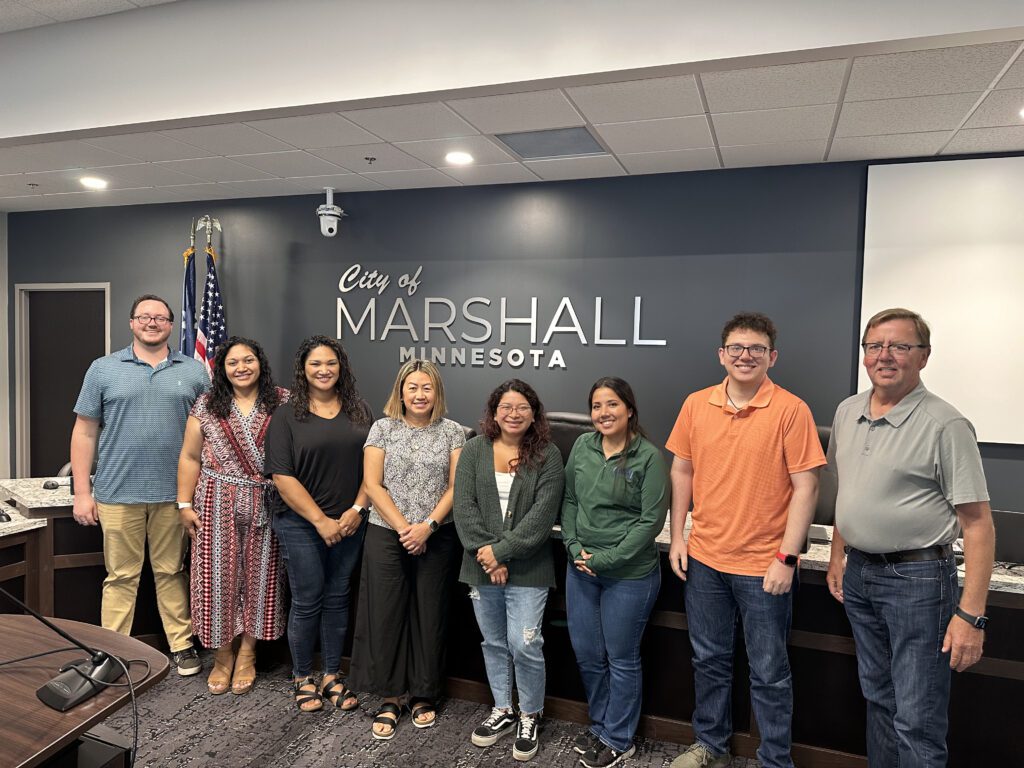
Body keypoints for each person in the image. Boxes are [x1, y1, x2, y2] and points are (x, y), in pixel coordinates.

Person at [824, 308, 994, 768]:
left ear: (923, 357)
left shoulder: (946, 424)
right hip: (860, 575)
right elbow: (849, 492)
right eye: (875, 346)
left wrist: (970, 615)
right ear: (863, 356)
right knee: (879, 699)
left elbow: (978, 524)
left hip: (918, 580)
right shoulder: (847, 411)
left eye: (900, 346)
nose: (885, 356)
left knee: (916, 717)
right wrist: (839, 556)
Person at [665, 312, 825, 768]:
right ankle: (711, 746)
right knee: (709, 660)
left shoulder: (792, 410)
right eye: (736, 348)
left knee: (770, 673)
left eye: (756, 348)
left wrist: (786, 558)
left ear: (772, 356)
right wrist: (678, 536)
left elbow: (806, 486)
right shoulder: (697, 404)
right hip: (706, 561)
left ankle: (775, 759)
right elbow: (682, 469)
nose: (745, 356)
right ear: (722, 355)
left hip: (763, 566)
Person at [71, 294, 210, 676]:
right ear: (131, 322)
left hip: (175, 496)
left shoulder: (195, 372)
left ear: (171, 325)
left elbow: (210, 436)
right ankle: (110, 652)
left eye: (161, 318)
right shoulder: (103, 369)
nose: (152, 323)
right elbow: (84, 432)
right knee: (120, 577)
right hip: (117, 493)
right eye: (144, 317)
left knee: (171, 572)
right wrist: (82, 492)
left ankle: (181, 645)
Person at [348, 359, 465, 740]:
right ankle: (390, 695)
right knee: (385, 613)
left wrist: (427, 527)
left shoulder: (452, 432)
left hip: (437, 533)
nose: (420, 394)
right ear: (401, 391)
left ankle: (423, 693)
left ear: (437, 393)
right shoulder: (382, 428)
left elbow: (455, 487)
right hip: (387, 533)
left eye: (427, 388)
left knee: (429, 613)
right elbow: (372, 483)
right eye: (412, 387)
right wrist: (404, 529)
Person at [453, 379, 565, 762]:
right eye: (506, 407)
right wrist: (488, 556)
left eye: (522, 407)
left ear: (534, 414)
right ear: (494, 412)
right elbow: (464, 509)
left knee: (525, 643)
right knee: (494, 642)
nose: (513, 414)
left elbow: (542, 517)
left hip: (530, 567)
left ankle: (530, 714)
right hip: (480, 566)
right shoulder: (473, 450)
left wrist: (500, 553)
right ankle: (503, 709)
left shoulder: (547, 455)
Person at [562, 377, 669, 768]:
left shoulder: (648, 457)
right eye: (596, 406)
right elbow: (570, 500)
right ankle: (602, 723)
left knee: (621, 657)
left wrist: (603, 560)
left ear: (629, 410)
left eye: (611, 405)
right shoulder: (582, 446)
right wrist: (573, 546)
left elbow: (650, 524)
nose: (603, 413)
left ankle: (620, 738)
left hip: (630, 575)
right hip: (581, 568)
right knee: (589, 654)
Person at [264, 335, 372, 713]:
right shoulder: (287, 415)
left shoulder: (359, 410)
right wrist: (321, 521)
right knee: (308, 599)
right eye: (315, 364)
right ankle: (301, 676)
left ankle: (330, 675)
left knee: (338, 595)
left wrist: (357, 510)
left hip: (350, 522)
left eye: (330, 363)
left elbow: (373, 469)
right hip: (299, 523)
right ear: (303, 370)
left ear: (341, 367)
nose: (324, 370)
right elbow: (282, 476)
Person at [176, 337, 289, 695]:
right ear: (222, 368)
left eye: (248, 360)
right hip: (214, 498)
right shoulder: (207, 404)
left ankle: (248, 653)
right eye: (232, 362)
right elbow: (190, 457)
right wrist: (183, 504)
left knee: (262, 577)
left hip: (266, 499)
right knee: (216, 577)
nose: (241, 367)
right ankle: (223, 654)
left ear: (260, 363)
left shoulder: (283, 401)